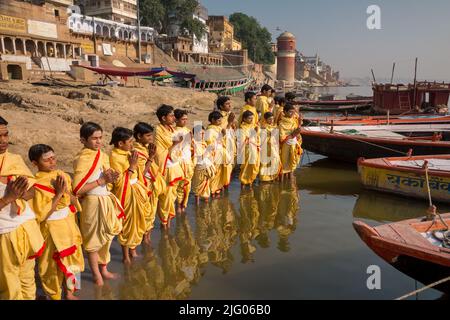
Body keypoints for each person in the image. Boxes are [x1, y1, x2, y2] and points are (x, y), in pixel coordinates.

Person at [29, 144, 84, 300]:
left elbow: (72, 199)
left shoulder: (63, 175)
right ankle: (54, 295)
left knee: (75, 259)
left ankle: (71, 293)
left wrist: (68, 195)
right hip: (51, 230)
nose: (52, 162)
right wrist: (58, 194)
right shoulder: (36, 184)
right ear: (35, 163)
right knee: (50, 266)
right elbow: (42, 214)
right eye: (47, 160)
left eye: (53, 158)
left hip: (68, 225)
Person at [72, 122, 123, 286]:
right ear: (83, 140)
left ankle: (104, 269)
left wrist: (111, 177)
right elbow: (77, 188)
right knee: (93, 240)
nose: (98, 142)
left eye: (100, 138)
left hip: (105, 199)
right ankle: (96, 275)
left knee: (107, 237)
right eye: (94, 138)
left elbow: (107, 178)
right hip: (92, 203)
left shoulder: (102, 155)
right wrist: (101, 180)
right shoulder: (82, 159)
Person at [0, 117, 45, 300]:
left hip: (26, 229)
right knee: (10, 285)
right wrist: (7, 199)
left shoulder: (14, 160)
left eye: (5, 134)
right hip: (4, 234)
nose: (3, 140)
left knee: (27, 280)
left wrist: (21, 194)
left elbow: (32, 191)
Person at [109, 127, 151, 264]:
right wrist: (132, 166)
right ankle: (125, 256)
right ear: (120, 144)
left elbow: (138, 173)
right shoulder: (114, 157)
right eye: (130, 142)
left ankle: (133, 250)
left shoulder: (128, 153)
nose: (132, 145)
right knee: (127, 225)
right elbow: (119, 181)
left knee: (138, 221)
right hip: (125, 193)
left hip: (136, 189)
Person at [133, 122, 165, 243]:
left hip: (152, 183)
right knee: (147, 214)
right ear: (139, 136)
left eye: (151, 135)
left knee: (151, 213)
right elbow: (141, 172)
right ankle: (145, 239)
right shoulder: (136, 151)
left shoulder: (145, 148)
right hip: (145, 185)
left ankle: (148, 238)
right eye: (148, 136)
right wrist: (151, 157)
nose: (151, 138)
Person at [154, 105, 185, 229]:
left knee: (172, 195)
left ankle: (168, 222)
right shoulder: (158, 130)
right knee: (166, 197)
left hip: (175, 165)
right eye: (171, 116)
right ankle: (164, 223)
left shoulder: (171, 129)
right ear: (163, 118)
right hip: (166, 166)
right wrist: (175, 143)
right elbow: (161, 151)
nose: (173, 118)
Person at [174, 109, 194, 212]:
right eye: (183, 119)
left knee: (187, 184)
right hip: (179, 161)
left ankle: (183, 204)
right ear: (176, 120)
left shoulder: (188, 130)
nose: (185, 121)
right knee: (180, 185)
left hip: (188, 160)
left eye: (186, 119)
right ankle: (178, 205)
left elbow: (191, 145)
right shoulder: (173, 131)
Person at [191, 125, 216, 204]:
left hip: (206, 165)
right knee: (198, 187)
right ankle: (197, 203)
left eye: (203, 133)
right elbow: (198, 157)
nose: (202, 135)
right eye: (200, 133)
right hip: (199, 167)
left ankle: (205, 202)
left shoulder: (203, 142)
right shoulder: (193, 143)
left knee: (206, 185)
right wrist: (208, 151)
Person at [216, 96, 236, 189]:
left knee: (230, 166)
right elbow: (223, 132)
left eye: (230, 103)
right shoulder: (220, 117)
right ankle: (222, 185)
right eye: (227, 104)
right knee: (224, 166)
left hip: (231, 143)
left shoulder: (229, 114)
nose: (229, 105)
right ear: (221, 106)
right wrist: (230, 122)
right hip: (223, 144)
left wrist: (232, 124)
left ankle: (225, 185)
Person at [205, 111, 227, 198]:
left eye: (221, 120)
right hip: (214, 153)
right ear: (212, 120)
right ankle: (212, 189)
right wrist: (222, 136)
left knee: (219, 171)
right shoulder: (210, 130)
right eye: (218, 120)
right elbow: (210, 144)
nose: (220, 122)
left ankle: (218, 187)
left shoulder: (218, 128)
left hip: (220, 152)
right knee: (215, 172)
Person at [279, 104, 303, 180]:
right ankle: (282, 184)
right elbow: (282, 138)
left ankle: (290, 181)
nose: (292, 114)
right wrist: (293, 134)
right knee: (284, 164)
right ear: (284, 112)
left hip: (293, 144)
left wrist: (299, 124)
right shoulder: (281, 123)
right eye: (290, 112)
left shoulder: (293, 121)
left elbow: (297, 132)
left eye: (293, 112)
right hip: (285, 145)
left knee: (292, 163)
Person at [238, 111, 260, 188]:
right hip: (247, 150)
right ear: (244, 119)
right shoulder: (242, 128)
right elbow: (243, 141)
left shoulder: (253, 126)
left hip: (254, 149)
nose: (251, 120)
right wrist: (254, 133)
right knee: (246, 167)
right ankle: (243, 184)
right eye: (249, 118)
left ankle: (250, 183)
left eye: (252, 118)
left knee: (253, 166)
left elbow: (257, 138)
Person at [259, 112, 281, 182]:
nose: (271, 121)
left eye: (272, 119)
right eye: (269, 119)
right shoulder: (263, 127)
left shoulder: (274, 127)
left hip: (274, 147)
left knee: (275, 161)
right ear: (265, 120)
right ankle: (264, 179)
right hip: (266, 147)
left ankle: (272, 177)